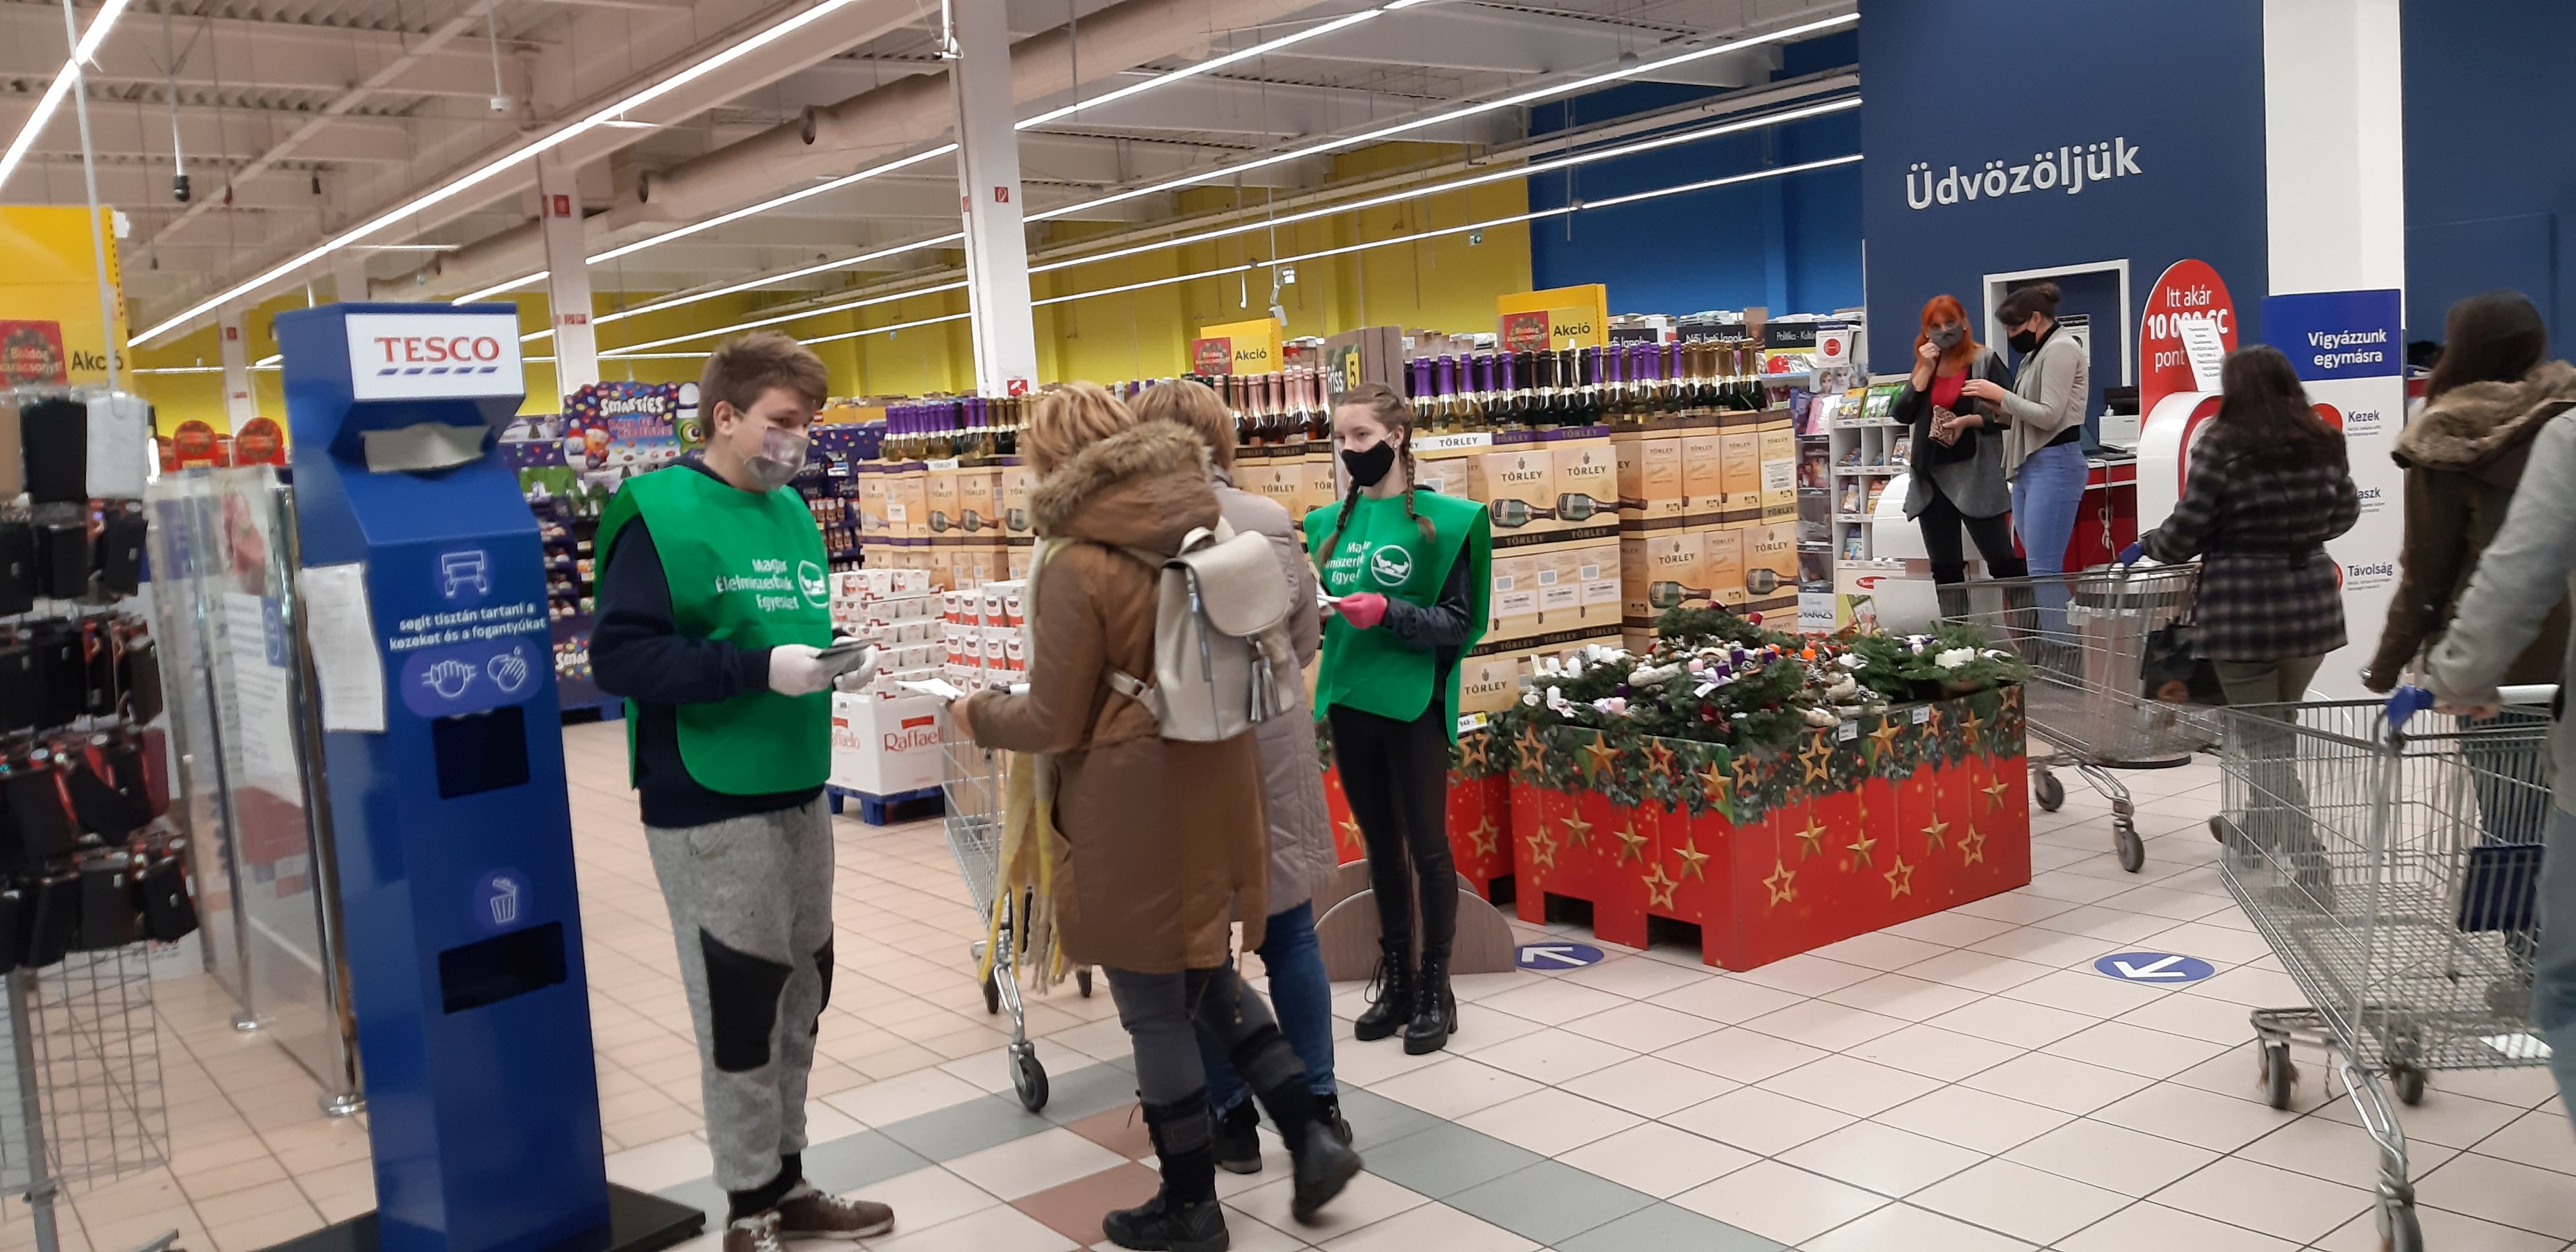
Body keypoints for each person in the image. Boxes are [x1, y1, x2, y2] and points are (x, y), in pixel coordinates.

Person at [951, 383, 1359, 1250]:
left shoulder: (1076, 559)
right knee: (1204, 974)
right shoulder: (1200, 520)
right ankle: (1310, 1130)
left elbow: (1054, 718)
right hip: (1214, 769)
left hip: (1130, 794)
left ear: (1048, 460)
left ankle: (1190, 1203)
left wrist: (975, 712)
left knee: (1150, 1002)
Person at [591, 333, 890, 1252]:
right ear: (725, 415)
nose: (800, 439)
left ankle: (787, 1180)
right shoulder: (655, 512)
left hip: (798, 781)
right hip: (708, 795)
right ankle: (747, 1204)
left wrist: (835, 659)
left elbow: (785, 623)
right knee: (741, 1001)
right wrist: (759, 669)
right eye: (784, 420)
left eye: (810, 423)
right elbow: (621, 657)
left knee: (803, 991)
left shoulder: (791, 510)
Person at [1131, 380, 1350, 1170]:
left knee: (1202, 949)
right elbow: (1303, 636)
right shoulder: (1266, 520)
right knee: (1290, 932)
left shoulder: (1131, 534)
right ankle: (1319, 1104)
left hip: (1182, 751)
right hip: (1271, 742)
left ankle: (1230, 1118)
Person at [2127, 346, 2358, 898]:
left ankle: (2312, 869)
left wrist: (2148, 544)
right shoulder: (2323, 439)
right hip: (2310, 609)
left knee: (2263, 743)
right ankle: (2254, 830)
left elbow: (2185, 532)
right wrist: (2298, 536)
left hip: (2243, 611)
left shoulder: (2221, 444)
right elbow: (2344, 513)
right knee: (2275, 734)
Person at [1305, 382, 1492, 1056]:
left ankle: (1438, 987)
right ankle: (1401, 982)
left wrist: (1389, 612)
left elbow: (1460, 624)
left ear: (1397, 436)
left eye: (1361, 435)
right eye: (1340, 437)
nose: (1349, 448)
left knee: (1427, 847)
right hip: (1350, 699)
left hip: (1414, 703)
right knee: (1380, 848)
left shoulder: (1447, 523)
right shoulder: (1326, 527)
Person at [2366, 293, 2571, 856]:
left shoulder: (2445, 439)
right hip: (2567, 658)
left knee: (2514, 829)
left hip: (2497, 662)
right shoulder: (2566, 421)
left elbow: (2425, 574)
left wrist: (2384, 668)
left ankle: (2527, 917)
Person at [1961, 281, 2088, 624]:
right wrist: (1997, 407)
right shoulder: (2034, 355)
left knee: (2044, 569)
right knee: (2037, 566)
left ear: (2035, 318)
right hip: (2030, 464)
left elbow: (2049, 415)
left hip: (2056, 462)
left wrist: (2002, 396)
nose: (2011, 336)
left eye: (2014, 329)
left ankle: (2062, 646)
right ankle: (2053, 642)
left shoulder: (2061, 349)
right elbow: (2026, 413)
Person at [1890, 295, 2024, 613]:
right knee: (1945, 570)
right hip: (1930, 479)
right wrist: (1924, 368)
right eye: (1935, 326)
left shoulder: (1984, 361)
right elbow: (1902, 413)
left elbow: (2012, 412)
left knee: (2003, 562)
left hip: (1974, 475)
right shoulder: (1927, 365)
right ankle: (1957, 640)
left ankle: (2030, 633)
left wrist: (1971, 421)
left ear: (1964, 322)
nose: (1944, 331)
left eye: (1950, 323)